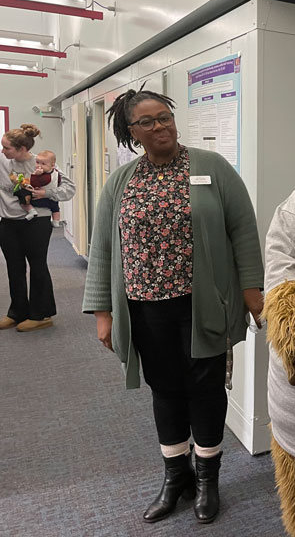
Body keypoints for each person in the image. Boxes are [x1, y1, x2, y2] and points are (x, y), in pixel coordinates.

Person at [82, 87, 264, 525]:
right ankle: (175, 475)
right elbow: (104, 248)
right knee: (164, 390)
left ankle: (207, 479)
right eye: (148, 122)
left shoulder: (211, 168)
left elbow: (243, 230)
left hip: (202, 303)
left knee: (204, 388)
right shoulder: (121, 181)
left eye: (164, 117)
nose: (160, 126)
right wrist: (103, 312)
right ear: (132, 132)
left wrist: (253, 293)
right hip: (144, 307)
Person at [0, 124, 76, 332]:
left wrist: (47, 194)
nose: (3, 151)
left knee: (37, 266)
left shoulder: (42, 163)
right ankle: (17, 312)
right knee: (14, 268)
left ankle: (41, 314)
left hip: (36, 222)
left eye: (7, 148)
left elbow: (69, 188)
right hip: (8, 223)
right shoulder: (2, 161)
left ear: (23, 149)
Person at [28, 150, 65, 227]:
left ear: (52, 165)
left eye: (43, 164)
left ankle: (31, 211)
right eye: (37, 162)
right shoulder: (56, 172)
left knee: (24, 199)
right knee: (55, 209)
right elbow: (58, 181)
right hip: (53, 198)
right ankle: (56, 221)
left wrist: (35, 175)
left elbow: (34, 183)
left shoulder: (45, 177)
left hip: (41, 199)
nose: (39, 166)